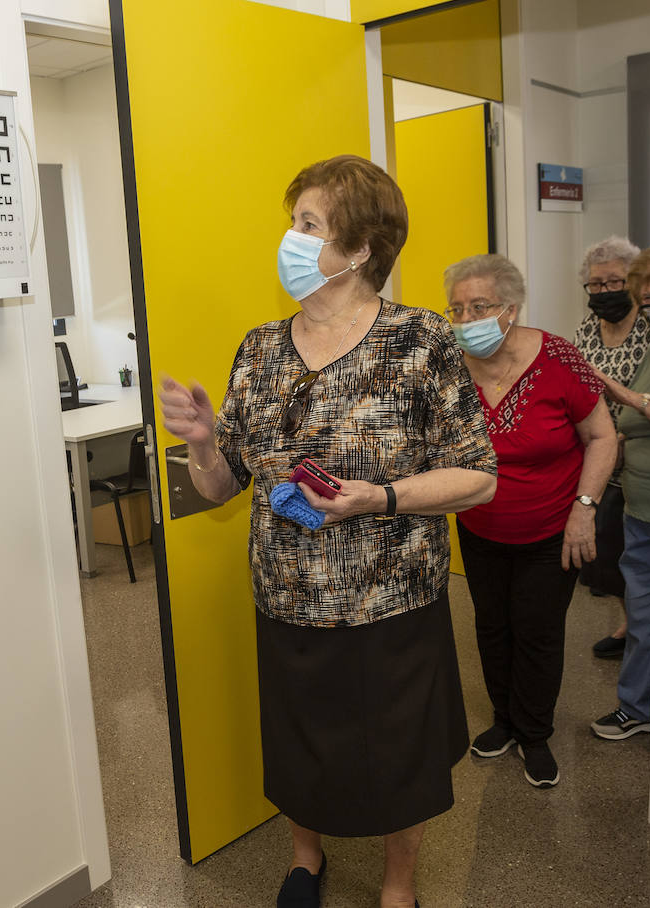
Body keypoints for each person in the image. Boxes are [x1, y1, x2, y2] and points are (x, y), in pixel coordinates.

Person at [160, 155, 497, 908]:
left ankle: (398, 885)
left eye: (309, 225)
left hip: (391, 602)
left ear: (360, 249)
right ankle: (305, 861)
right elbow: (221, 490)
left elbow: (479, 476)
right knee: (301, 747)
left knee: (399, 755)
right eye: (295, 222)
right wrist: (206, 445)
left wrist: (378, 497)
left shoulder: (421, 342)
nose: (292, 238)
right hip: (288, 601)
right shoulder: (260, 349)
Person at [444, 254, 618, 789]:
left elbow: (602, 437)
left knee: (537, 632)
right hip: (479, 528)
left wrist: (584, 511)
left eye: (480, 306)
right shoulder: (449, 364)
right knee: (492, 627)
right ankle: (504, 722)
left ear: (511, 308)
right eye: (456, 309)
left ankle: (535, 733)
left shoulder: (560, 358)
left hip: (552, 531)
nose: (467, 318)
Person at [590, 244, 650, 740]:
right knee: (644, 612)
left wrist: (618, 391)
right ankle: (638, 705)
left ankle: (646, 705)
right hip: (640, 502)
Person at [572, 236, 650, 658]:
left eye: (614, 282)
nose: (605, 292)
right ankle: (630, 623)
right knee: (607, 554)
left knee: (629, 550)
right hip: (598, 452)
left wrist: (620, 436)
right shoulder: (588, 326)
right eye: (597, 285)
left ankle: (637, 630)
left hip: (637, 452)